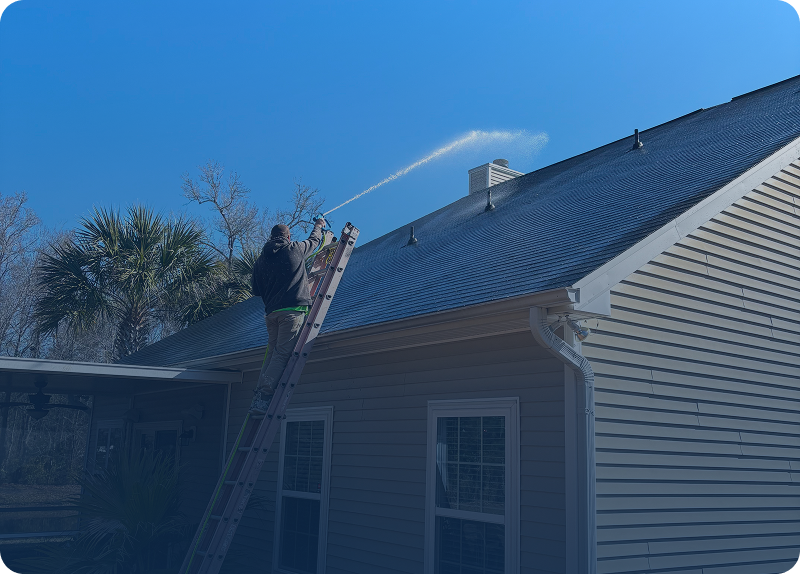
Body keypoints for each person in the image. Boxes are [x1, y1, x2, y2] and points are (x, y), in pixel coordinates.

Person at [249, 217, 326, 413]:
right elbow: (315, 242)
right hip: (292, 312)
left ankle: (259, 394)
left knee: (272, 354)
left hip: (271, 314)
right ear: (288, 236)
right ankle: (264, 395)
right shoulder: (294, 249)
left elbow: (256, 291)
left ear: (271, 237)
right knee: (281, 355)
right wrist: (318, 226)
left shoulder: (260, 262)